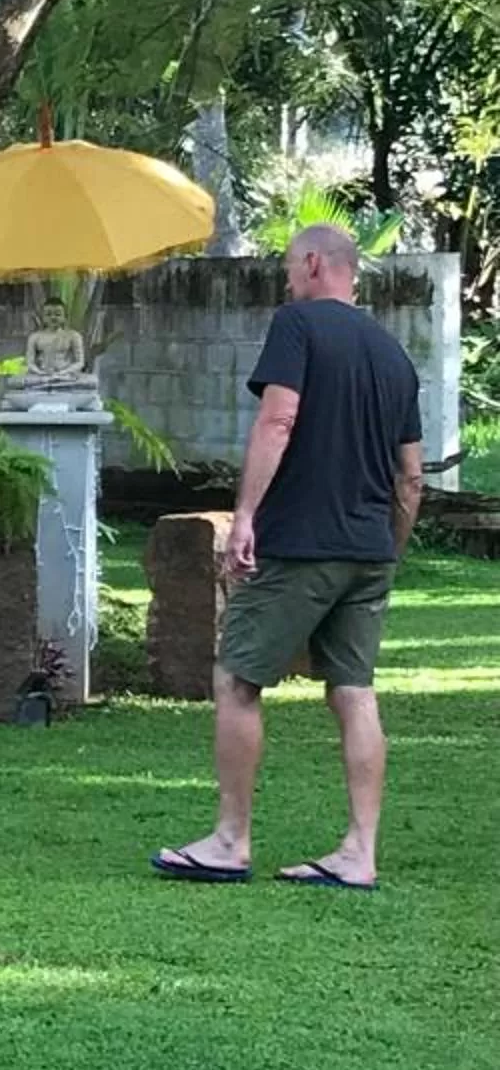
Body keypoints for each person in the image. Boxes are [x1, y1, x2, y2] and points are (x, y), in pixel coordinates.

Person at [154, 224, 425, 892]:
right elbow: (411, 477)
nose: (283, 281)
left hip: (304, 543)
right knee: (354, 691)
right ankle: (360, 852)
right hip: (367, 549)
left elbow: (278, 420)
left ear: (311, 264)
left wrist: (245, 516)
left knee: (237, 679)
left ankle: (229, 840)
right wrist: (386, 550)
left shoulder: (298, 324)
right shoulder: (394, 353)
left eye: (285, 268)